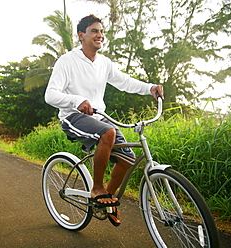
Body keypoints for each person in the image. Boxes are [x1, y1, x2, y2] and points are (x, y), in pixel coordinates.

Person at [44, 14, 164, 227]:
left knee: (128, 159)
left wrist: (150, 88)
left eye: (101, 31)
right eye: (94, 31)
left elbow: (125, 82)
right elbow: (50, 95)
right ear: (81, 36)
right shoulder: (67, 61)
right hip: (73, 116)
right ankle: (97, 188)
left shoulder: (104, 63)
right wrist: (77, 100)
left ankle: (107, 200)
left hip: (100, 119)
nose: (99, 35)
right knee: (107, 133)